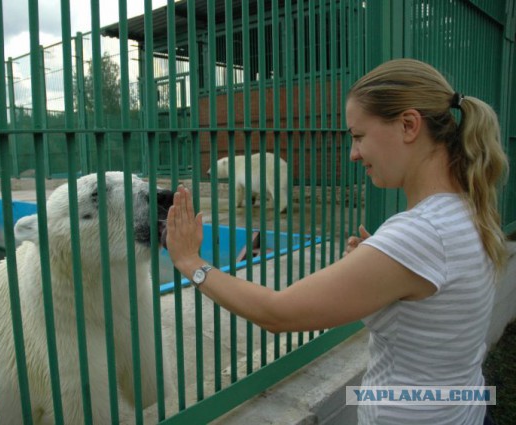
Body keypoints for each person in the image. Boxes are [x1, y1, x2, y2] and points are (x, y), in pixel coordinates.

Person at [165, 58, 508, 425]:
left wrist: (191, 263)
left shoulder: (420, 234)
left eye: (359, 136)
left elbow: (276, 313)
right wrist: (377, 264)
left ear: (409, 125)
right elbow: (429, 323)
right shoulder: (466, 211)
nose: (354, 153)